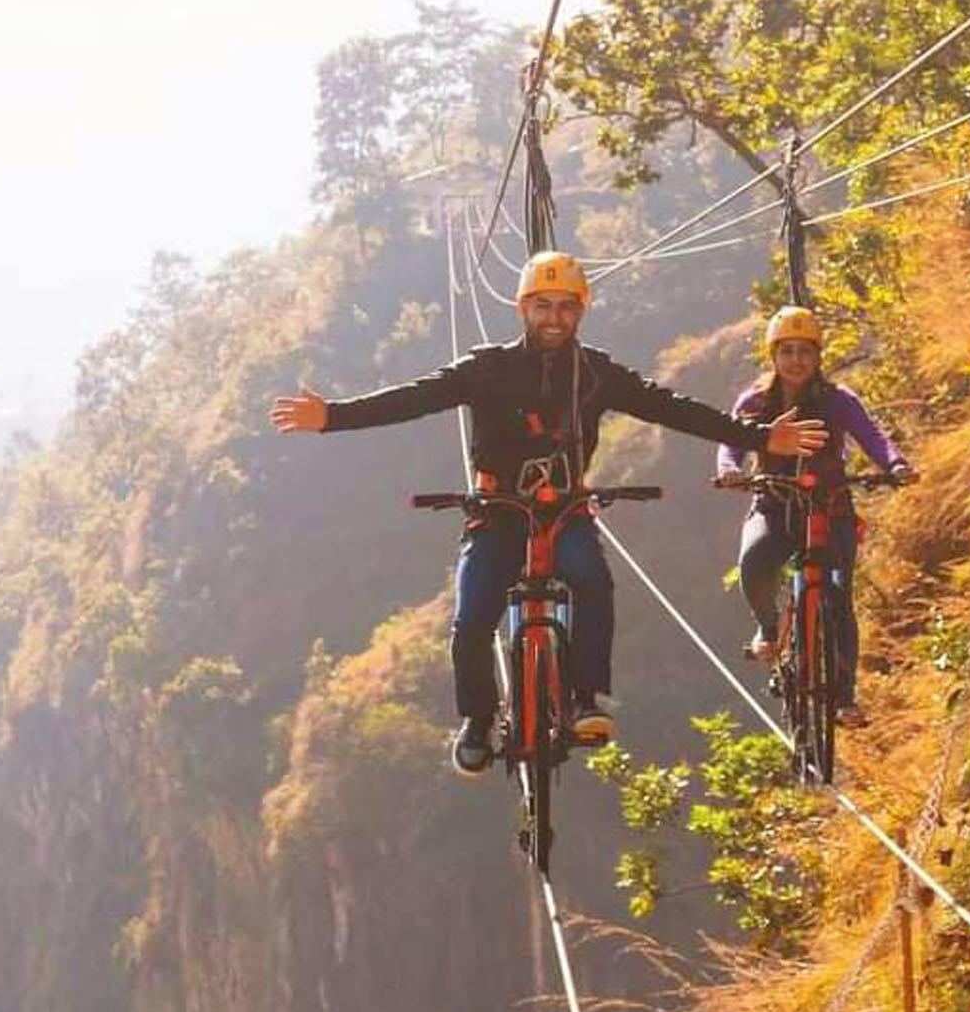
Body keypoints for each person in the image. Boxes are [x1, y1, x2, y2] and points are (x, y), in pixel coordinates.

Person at [272, 252, 829, 774]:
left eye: (566, 307)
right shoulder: (485, 370)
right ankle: (478, 719)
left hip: (564, 508)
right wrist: (333, 417)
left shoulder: (596, 374)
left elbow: (670, 407)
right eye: (543, 306)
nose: (554, 318)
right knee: (471, 620)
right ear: (523, 309)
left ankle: (588, 697)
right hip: (498, 510)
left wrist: (757, 437)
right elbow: (414, 398)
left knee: (591, 580)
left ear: (580, 312)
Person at [715, 306, 914, 729]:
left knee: (838, 599)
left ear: (818, 355)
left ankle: (844, 697)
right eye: (787, 351)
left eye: (805, 351)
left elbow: (873, 437)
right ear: (774, 355)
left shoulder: (839, 401)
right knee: (754, 562)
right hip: (774, 506)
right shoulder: (755, 400)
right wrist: (730, 470)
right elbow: (730, 441)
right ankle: (769, 629)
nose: (797, 360)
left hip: (831, 510)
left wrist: (894, 465)